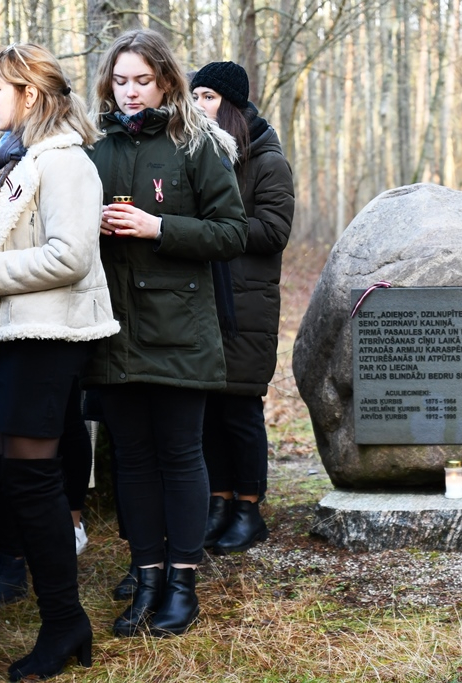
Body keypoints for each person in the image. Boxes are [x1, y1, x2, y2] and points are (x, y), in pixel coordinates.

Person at [0, 43, 119, 681]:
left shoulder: (66, 163)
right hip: (6, 336)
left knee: (34, 482)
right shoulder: (12, 161)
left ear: (29, 95)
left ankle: (63, 626)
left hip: (44, 342)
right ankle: (63, 621)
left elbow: (71, 257)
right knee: (20, 480)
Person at [84, 29, 247, 638]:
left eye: (142, 81)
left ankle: (182, 582)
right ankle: (145, 576)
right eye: (120, 81)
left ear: (166, 83)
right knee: (132, 460)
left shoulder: (197, 142)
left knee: (180, 456)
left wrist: (159, 227)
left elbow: (233, 233)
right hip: (111, 326)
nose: (130, 93)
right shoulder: (91, 148)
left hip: (180, 327)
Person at [190, 61, 294, 554]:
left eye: (207, 97)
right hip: (202, 301)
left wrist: (219, 227)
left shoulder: (267, 161)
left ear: (231, 105)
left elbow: (274, 231)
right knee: (207, 410)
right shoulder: (196, 155)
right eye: (194, 97)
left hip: (246, 304)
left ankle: (249, 510)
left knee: (240, 411)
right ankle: (219, 502)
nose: (198, 106)